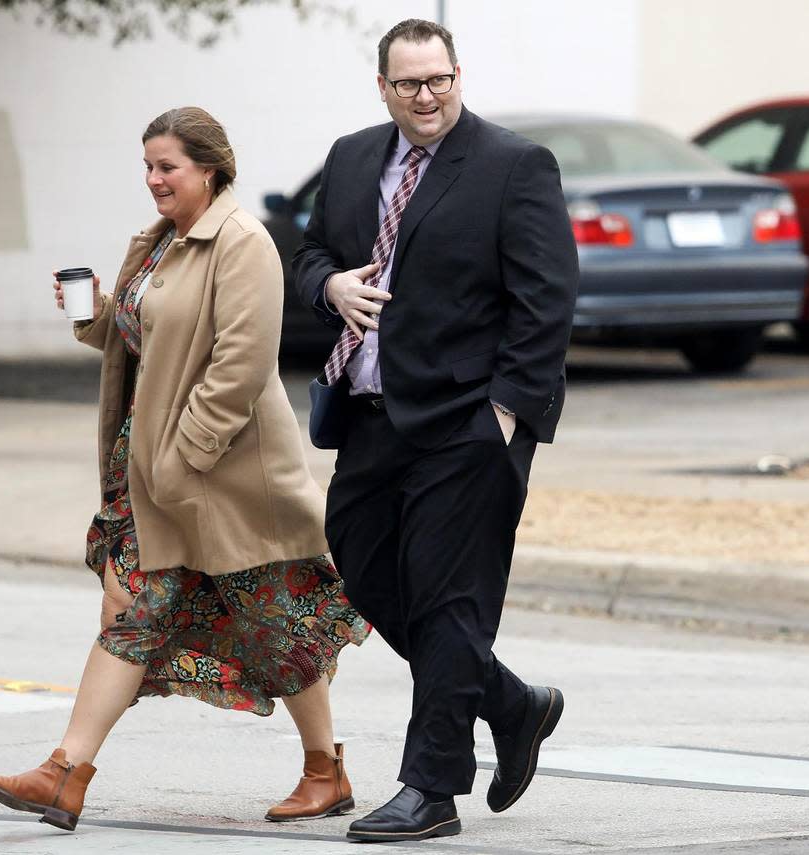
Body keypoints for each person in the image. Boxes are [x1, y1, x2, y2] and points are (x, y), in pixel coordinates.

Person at [0, 106, 369, 831]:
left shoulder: (241, 242)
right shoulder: (159, 242)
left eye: (168, 167)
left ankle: (323, 769)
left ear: (209, 167)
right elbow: (146, 338)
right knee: (136, 609)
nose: (154, 180)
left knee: (273, 618)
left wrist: (187, 457)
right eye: (148, 167)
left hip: (223, 475)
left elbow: (241, 363)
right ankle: (65, 773)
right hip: (152, 470)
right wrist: (93, 314)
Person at [294, 19, 578, 843]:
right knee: (367, 571)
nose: (426, 97)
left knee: (451, 601)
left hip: (468, 422)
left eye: (439, 80)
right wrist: (332, 286)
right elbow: (310, 252)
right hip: (372, 416)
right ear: (382, 87)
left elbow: (546, 300)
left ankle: (431, 788)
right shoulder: (353, 157)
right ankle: (509, 702)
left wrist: (506, 416)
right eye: (409, 83)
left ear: (459, 76)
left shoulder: (513, 165)